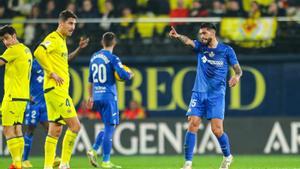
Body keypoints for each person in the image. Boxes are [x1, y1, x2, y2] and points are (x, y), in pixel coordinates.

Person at [169, 23, 242, 169]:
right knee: (193, 124)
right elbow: (188, 41)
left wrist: (237, 77)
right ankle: (188, 163)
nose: (201, 36)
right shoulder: (200, 47)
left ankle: (228, 157)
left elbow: (238, 69)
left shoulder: (227, 50)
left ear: (212, 34)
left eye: (204, 33)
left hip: (216, 95)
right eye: (200, 34)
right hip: (199, 92)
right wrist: (178, 36)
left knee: (217, 130)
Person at [22, 33, 89, 168]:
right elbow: (23, 79)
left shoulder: (52, 62)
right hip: (41, 100)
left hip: (47, 101)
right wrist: (27, 95)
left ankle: (50, 163)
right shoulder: (33, 64)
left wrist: (79, 48)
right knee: (73, 126)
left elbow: (68, 59)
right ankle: (26, 159)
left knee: (54, 130)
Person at [86, 32, 133, 169]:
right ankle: (106, 161)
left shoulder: (94, 57)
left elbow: (90, 80)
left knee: (107, 127)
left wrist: (90, 96)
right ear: (114, 43)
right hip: (109, 97)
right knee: (110, 128)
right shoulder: (113, 58)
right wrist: (130, 74)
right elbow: (123, 74)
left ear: (102, 42)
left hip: (97, 96)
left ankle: (93, 150)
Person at [0, 25, 33, 169]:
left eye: (7, 38)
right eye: (2, 40)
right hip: (23, 96)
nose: (5, 43)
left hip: (13, 96)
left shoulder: (13, 50)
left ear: (14, 35)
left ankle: (17, 164)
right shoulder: (26, 49)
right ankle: (18, 163)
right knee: (17, 128)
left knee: (7, 129)